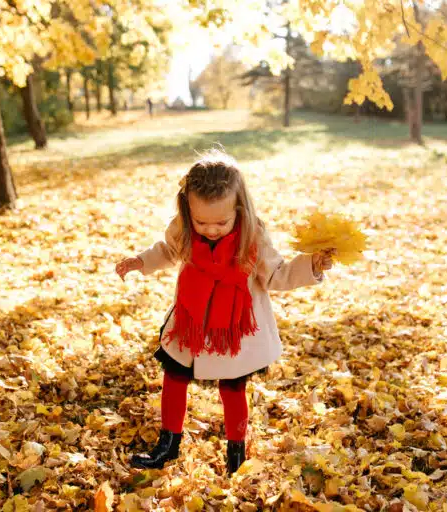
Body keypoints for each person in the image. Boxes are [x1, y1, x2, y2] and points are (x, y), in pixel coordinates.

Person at [115, 150, 335, 475]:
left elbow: (277, 275)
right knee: (174, 377)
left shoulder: (253, 236)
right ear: (188, 210)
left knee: (232, 389)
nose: (211, 230)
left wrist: (312, 266)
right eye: (201, 221)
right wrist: (141, 261)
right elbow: (168, 250)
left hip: (234, 330)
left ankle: (236, 453)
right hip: (192, 322)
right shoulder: (187, 227)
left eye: (221, 222)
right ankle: (168, 444)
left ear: (239, 208)